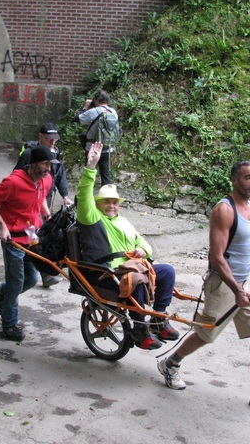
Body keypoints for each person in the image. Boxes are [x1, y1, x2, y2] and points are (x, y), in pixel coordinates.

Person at [156, 160, 250, 412]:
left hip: (247, 281)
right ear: (234, 180)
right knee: (206, 335)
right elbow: (217, 257)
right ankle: (170, 363)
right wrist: (236, 290)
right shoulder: (224, 210)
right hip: (223, 285)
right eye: (248, 177)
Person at [77, 141, 180, 350]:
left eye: (114, 202)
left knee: (167, 271)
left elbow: (143, 242)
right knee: (136, 279)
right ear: (97, 204)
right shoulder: (92, 217)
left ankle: (158, 320)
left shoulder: (123, 221)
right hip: (109, 271)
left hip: (133, 266)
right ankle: (140, 330)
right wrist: (91, 167)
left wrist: (143, 250)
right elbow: (84, 195)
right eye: (107, 201)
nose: (112, 205)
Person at [0, 145, 55, 341]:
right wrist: (2, 226)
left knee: (31, 279)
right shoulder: (13, 182)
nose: (49, 168)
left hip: (32, 238)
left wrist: (46, 215)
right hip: (13, 239)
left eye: (51, 164)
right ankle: (9, 325)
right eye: (45, 164)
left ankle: (0, 292)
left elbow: (39, 198)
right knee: (15, 283)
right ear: (33, 164)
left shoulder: (45, 180)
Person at [14, 122, 72, 288]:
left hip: (45, 200)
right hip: (31, 202)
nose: (53, 142)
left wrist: (65, 195)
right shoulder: (29, 154)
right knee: (38, 238)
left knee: (43, 237)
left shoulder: (55, 153)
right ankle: (43, 273)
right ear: (40, 137)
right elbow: (17, 174)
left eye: (55, 139)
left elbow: (60, 175)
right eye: (49, 139)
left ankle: (42, 271)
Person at [76, 90, 119, 185]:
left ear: (96, 100)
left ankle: (86, 197)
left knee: (89, 173)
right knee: (106, 175)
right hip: (108, 148)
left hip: (93, 148)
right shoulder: (113, 112)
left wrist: (85, 107)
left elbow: (78, 119)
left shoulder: (93, 111)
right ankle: (107, 197)